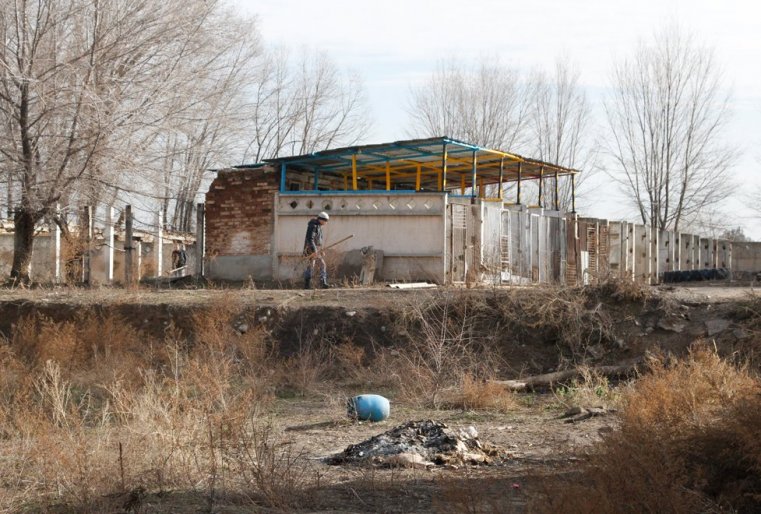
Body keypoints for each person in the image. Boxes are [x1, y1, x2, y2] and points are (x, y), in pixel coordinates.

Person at [303, 211, 330, 289]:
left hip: (316, 249)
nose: (326, 222)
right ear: (321, 219)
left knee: (319, 265)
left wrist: (321, 250)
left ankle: (323, 282)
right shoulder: (313, 226)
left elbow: (318, 241)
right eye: (326, 221)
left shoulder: (318, 226)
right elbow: (310, 239)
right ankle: (307, 284)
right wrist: (314, 250)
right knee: (311, 266)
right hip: (310, 249)